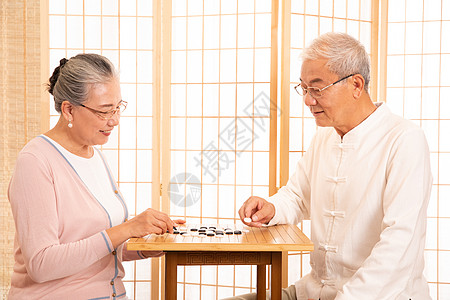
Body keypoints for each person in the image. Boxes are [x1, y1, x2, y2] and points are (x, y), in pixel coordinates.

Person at [232, 32, 432, 300]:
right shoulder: (324, 136)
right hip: (313, 291)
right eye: (303, 88)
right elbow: (297, 196)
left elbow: (399, 246)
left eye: (316, 88)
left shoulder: (404, 140)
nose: (307, 100)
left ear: (356, 85)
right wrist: (272, 208)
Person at [7, 53, 183, 300]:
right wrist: (127, 228)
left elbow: (97, 248)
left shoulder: (94, 155)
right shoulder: (36, 162)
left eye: (118, 107)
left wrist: (146, 244)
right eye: (104, 111)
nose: (115, 120)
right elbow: (42, 264)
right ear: (68, 109)